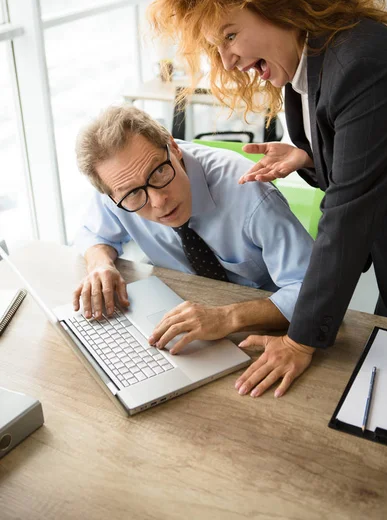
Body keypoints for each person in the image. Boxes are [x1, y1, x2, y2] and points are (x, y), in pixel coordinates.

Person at [148, 0, 387, 397]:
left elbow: (348, 213)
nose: (227, 61)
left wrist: (300, 341)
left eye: (230, 35)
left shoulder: (362, 61)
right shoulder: (305, 61)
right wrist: (309, 154)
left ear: (273, 1)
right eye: (216, 46)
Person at [73, 105, 313, 396]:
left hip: (267, 334)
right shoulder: (121, 187)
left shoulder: (249, 193)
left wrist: (227, 318)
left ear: (174, 148)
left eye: (159, 172)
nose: (159, 202)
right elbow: (93, 233)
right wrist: (100, 263)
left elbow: (313, 289)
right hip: (187, 324)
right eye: (135, 193)